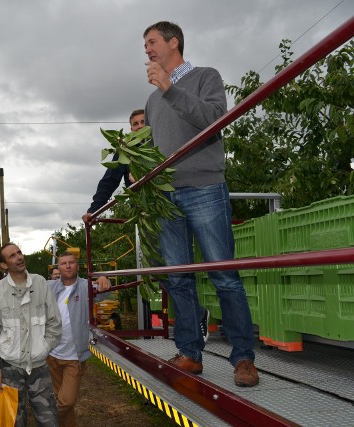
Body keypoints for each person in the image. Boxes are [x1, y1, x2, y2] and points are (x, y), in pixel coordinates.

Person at [142, 21, 258, 387]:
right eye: (144, 45)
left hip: (204, 187)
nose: (147, 49)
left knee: (224, 276)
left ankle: (243, 359)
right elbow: (154, 145)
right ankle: (190, 353)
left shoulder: (206, 76)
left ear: (174, 42)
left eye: (152, 42)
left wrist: (170, 88)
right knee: (178, 279)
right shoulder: (150, 99)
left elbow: (214, 120)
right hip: (165, 198)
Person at [0, 242, 62, 427]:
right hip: (10, 367)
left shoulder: (40, 283)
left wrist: (44, 347)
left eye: (19, 252)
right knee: (13, 421)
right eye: (12, 256)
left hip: (39, 367)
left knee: (48, 419)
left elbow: (54, 323)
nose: (19, 257)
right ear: (3, 265)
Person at [46, 251, 110, 427]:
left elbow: (103, 291)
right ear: (57, 267)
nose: (67, 266)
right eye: (63, 263)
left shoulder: (85, 286)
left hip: (74, 357)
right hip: (52, 355)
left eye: (71, 262)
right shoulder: (50, 287)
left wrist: (104, 277)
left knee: (65, 402)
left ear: (77, 265)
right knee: (60, 400)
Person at [82, 109, 146, 223]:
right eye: (135, 124)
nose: (140, 126)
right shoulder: (125, 152)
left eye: (143, 122)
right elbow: (109, 181)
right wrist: (93, 210)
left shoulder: (162, 143)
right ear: (131, 129)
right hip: (143, 212)